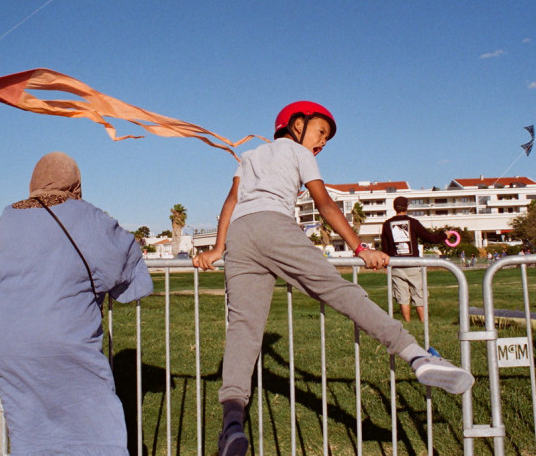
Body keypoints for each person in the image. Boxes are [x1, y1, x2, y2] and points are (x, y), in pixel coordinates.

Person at [193, 102, 474, 456]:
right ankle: (417, 356)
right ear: (297, 125)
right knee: (341, 291)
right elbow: (324, 203)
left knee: (243, 327)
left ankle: (232, 423)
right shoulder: (298, 152)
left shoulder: (249, 156)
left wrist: (218, 249)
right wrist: (360, 249)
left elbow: (231, 201)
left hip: (239, 236)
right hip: (273, 226)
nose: (323, 142)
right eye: (320, 132)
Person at [0, 152, 154, 455]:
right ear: (76, 186)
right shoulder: (89, 217)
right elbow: (126, 270)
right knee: (96, 421)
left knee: (29, 422)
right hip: (56, 331)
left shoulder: (7, 218)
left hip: (0, 335)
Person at [380, 196, 450, 323]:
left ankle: (407, 323)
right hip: (413, 264)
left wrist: (386, 266)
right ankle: (423, 322)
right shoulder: (413, 222)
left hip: (395, 265)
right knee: (418, 294)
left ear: (394, 208)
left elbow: (385, 248)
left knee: (402, 296)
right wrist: (445, 235)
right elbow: (430, 238)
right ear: (407, 207)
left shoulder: (386, 225)